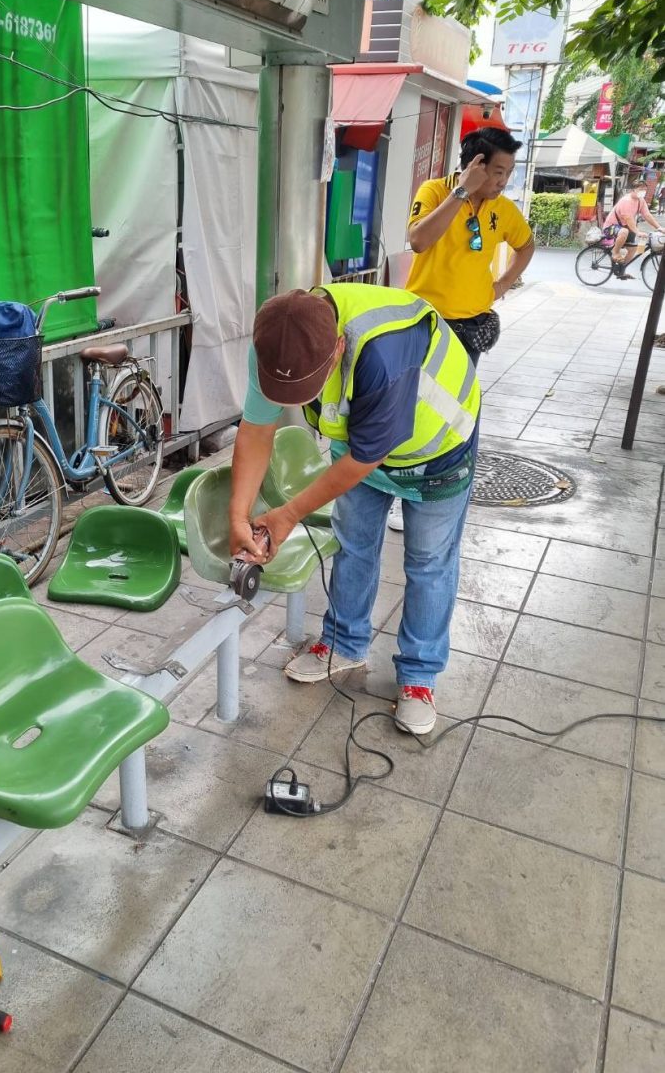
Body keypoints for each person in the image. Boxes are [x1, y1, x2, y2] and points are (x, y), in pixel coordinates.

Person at [229, 283, 480, 736]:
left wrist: (286, 517)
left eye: (308, 387)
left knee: (428, 563)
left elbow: (366, 459)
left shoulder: (383, 350)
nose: (296, 400)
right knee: (354, 544)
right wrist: (237, 514)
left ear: (339, 346)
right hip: (362, 440)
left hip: (437, 445)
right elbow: (255, 430)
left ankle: (419, 678)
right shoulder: (276, 344)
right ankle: (345, 644)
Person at [405, 127, 535, 367]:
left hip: (472, 326)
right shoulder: (435, 191)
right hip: (426, 320)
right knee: (417, 398)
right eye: (498, 172)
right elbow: (418, 241)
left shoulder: (503, 209)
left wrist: (502, 285)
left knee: (456, 400)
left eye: (509, 172)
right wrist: (462, 192)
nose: (504, 181)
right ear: (475, 166)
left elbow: (526, 246)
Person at [603, 181, 664, 276]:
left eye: (644, 190)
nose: (643, 191)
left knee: (633, 249)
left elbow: (647, 215)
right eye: (640, 189)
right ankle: (615, 252)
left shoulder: (641, 201)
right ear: (633, 190)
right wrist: (637, 232)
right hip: (610, 228)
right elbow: (628, 219)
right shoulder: (626, 201)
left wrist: (659, 227)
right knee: (624, 231)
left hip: (626, 228)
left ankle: (621, 270)